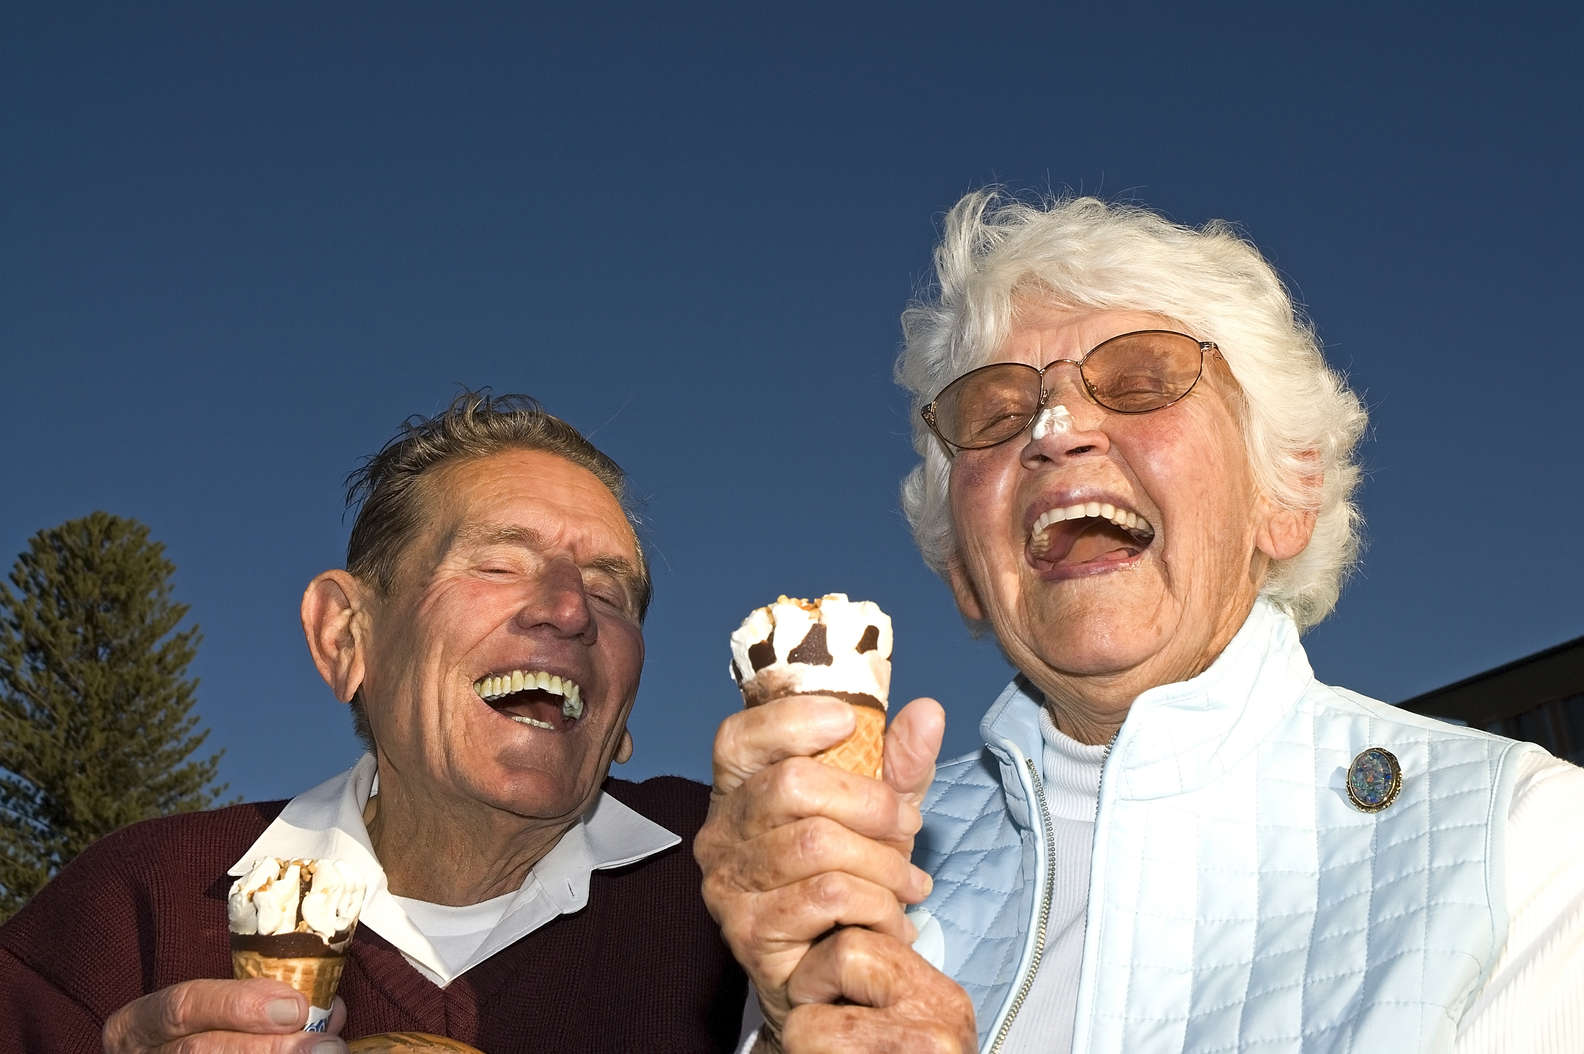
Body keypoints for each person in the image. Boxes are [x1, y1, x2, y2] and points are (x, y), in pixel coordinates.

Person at [696, 192, 1584, 1052]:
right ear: (964, 570)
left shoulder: (1525, 842)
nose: (1055, 431)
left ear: (1287, 498)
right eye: (996, 415)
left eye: (1142, 383)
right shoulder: (837, 861)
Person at [0, 391, 746, 1052]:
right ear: (344, 636)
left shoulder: (743, 871)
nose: (570, 609)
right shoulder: (134, 909)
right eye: (497, 563)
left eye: (609, 593)